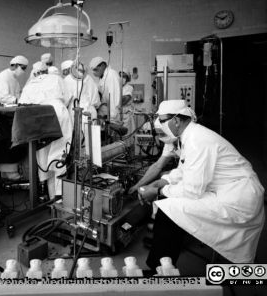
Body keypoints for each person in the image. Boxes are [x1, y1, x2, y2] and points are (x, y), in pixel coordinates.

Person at [137, 100, 265, 270]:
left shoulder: (198, 140)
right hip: (224, 190)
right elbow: (184, 170)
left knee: (170, 211)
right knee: (168, 206)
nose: (159, 125)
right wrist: (164, 181)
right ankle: (163, 265)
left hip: (238, 199)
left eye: (162, 120)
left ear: (176, 120)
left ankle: (159, 271)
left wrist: (158, 190)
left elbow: (191, 191)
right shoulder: (188, 137)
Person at [20, 62, 73, 199]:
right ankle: (59, 196)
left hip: (40, 115)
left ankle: (49, 194)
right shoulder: (56, 79)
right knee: (60, 154)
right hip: (58, 112)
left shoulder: (30, 84)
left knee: (43, 155)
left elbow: (21, 104)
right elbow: (67, 99)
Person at [89, 56, 121, 123]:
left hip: (112, 115)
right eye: (93, 70)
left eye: (96, 70)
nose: (94, 73)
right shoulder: (102, 77)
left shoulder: (111, 75)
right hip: (105, 113)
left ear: (103, 66)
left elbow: (114, 96)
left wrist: (112, 117)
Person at [119, 69, 135, 134]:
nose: (122, 78)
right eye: (120, 76)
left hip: (126, 114)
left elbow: (124, 100)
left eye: (124, 77)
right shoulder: (117, 87)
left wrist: (116, 99)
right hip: (118, 115)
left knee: (126, 135)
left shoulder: (129, 88)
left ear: (127, 78)